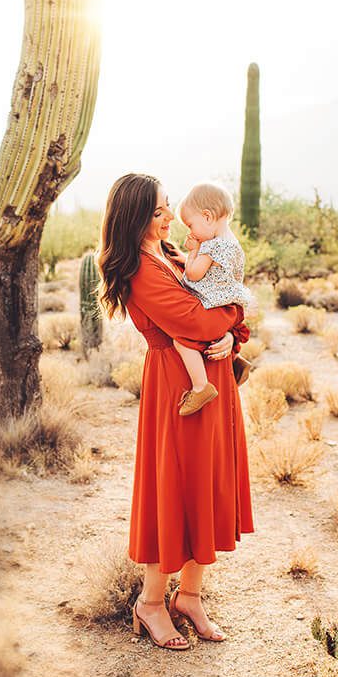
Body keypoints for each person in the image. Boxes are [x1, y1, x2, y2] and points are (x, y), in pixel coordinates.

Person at [96, 173, 251, 651]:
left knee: (204, 486)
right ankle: (150, 603)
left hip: (212, 380)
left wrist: (231, 335)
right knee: (174, 491)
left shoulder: (171, 255)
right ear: (137, 217)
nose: (169, 217)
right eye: (160, 211)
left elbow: (217, 302)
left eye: (168, 208)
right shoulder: (141, 271)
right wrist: (232, 319)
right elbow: (195, 319)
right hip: (178, 390)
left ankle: (191, 596)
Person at [170, 182, 255, 415]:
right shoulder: (232, 243)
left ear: (207, 217)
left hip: (211, 303)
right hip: (228, 301)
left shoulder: (211, 246)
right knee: (216, 337)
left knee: (181, 340)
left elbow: (194, 273)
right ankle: (237, 361)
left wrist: (194, 250)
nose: (191, 232)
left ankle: (200, 387)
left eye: (191, 225)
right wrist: (189, 254)